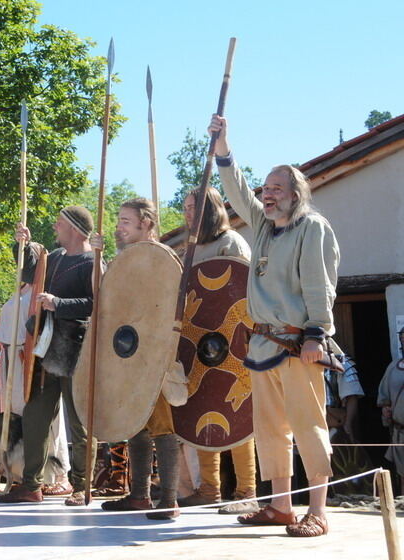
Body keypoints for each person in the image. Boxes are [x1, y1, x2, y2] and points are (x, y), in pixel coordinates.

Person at [211, 114, 340, 537]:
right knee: (270, 431)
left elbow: (320, 286)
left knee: (309, 427)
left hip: (300, 344)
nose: (267, 196)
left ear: (295, 194)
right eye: (265, 189)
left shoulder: (312, 228)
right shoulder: (265, 226)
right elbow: (236, 189)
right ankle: (281, 507)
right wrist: (224, 146)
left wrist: (315, 334)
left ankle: (318, 510)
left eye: (276, 189)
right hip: (263, 346)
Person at [0, 207, 97, 506]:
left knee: (79, 421)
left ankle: (82, 486)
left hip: (75, 347)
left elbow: (97, 303)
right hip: (45, 347)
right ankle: (31, 485)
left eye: (60, 223)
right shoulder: (53, 258)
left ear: (76, 229)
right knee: (35, 416)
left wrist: (59, 303)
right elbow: (29, 273)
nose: (54, 226)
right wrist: (23, 246)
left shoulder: (92, 262)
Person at [174, 187, 259, 515]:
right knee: (202, 412)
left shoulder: (231, 243)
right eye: (185, 207)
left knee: (237, 416)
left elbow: (244, 291)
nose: (188, 213)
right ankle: (209, 489)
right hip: (199, 346)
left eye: (194, 207)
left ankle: (246, 491)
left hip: (233, 343)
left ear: (210, 209)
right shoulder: (189, 250)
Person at [97, 198, 182, 520]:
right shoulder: (123, 260)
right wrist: (98, 260)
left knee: (161, 425)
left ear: (146, 222)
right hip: (129, 354)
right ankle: (139, 495)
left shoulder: (162, 258)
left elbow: (166, 305)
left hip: (156, 355)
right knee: (136, 425)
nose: (119, 226)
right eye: (119, 220)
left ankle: (169, 499)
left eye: (126, 221)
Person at [378, 327, 404, 493]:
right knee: (402, 474)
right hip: (401, 431)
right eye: (403, 338)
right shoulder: (393, 368)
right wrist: (386, 410)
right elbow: (384, 397)